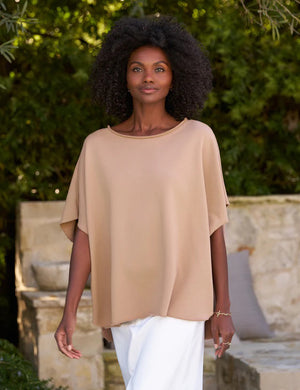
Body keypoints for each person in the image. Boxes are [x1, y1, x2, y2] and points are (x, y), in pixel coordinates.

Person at [54, 15, 235, 389]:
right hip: (122, 301)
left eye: (159, 69)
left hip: (180, 300)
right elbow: (87, 233)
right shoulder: (97, 148)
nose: (148, 77)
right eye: (137, 69)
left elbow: (214, 227)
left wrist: (222, 309)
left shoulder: (198, 139)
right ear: (122, 75)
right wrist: (69, 312)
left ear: (175, 76)